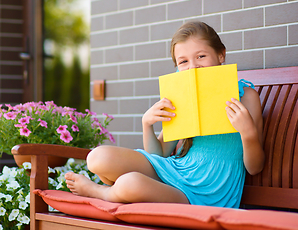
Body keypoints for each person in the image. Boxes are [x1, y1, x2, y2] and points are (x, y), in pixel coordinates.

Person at [65, 21, 265, 208]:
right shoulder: (185, 96)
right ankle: (124, 188)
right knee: (98, 158)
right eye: (183, 61)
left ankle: (102, 192)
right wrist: (147, 124)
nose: (193, 67)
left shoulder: (246, 97)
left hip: (204, 194)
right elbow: (158, 154)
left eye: (201, 56)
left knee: (129, 182)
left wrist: (248, 133)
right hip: (175, 172)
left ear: (221, 55)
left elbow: (255, 167)